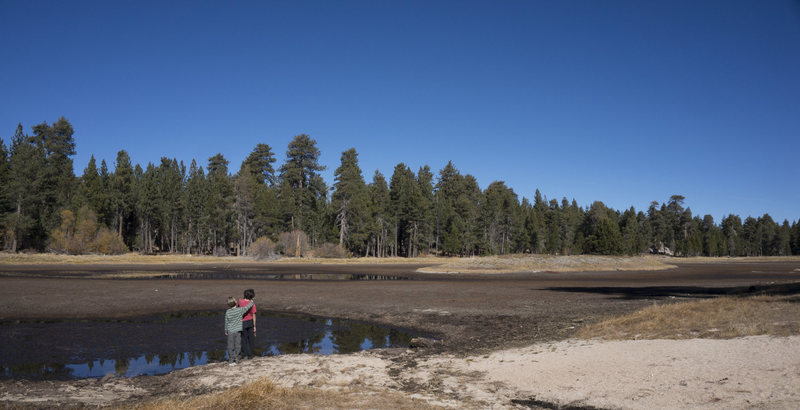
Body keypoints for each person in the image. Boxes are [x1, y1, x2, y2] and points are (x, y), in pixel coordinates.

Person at [225, 296, 254, 366]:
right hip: (238, 331)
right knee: (238, 345)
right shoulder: (239, 310)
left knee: (230, 346)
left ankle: (231, 360)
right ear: (235, 302)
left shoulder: (228, 312)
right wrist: (251, 302)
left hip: (230, 331)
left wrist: (226, 330)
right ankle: (237, 358)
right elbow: (246, 308)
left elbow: (226, 322)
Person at [238, 288, 257, 359]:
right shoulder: (252, 304)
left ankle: (244, 354)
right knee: (251, 339)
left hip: (242, 322)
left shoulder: (240, 301)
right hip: (250, 322)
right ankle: (250, 355)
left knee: (243, 339)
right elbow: (254, 314)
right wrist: (254, 326)